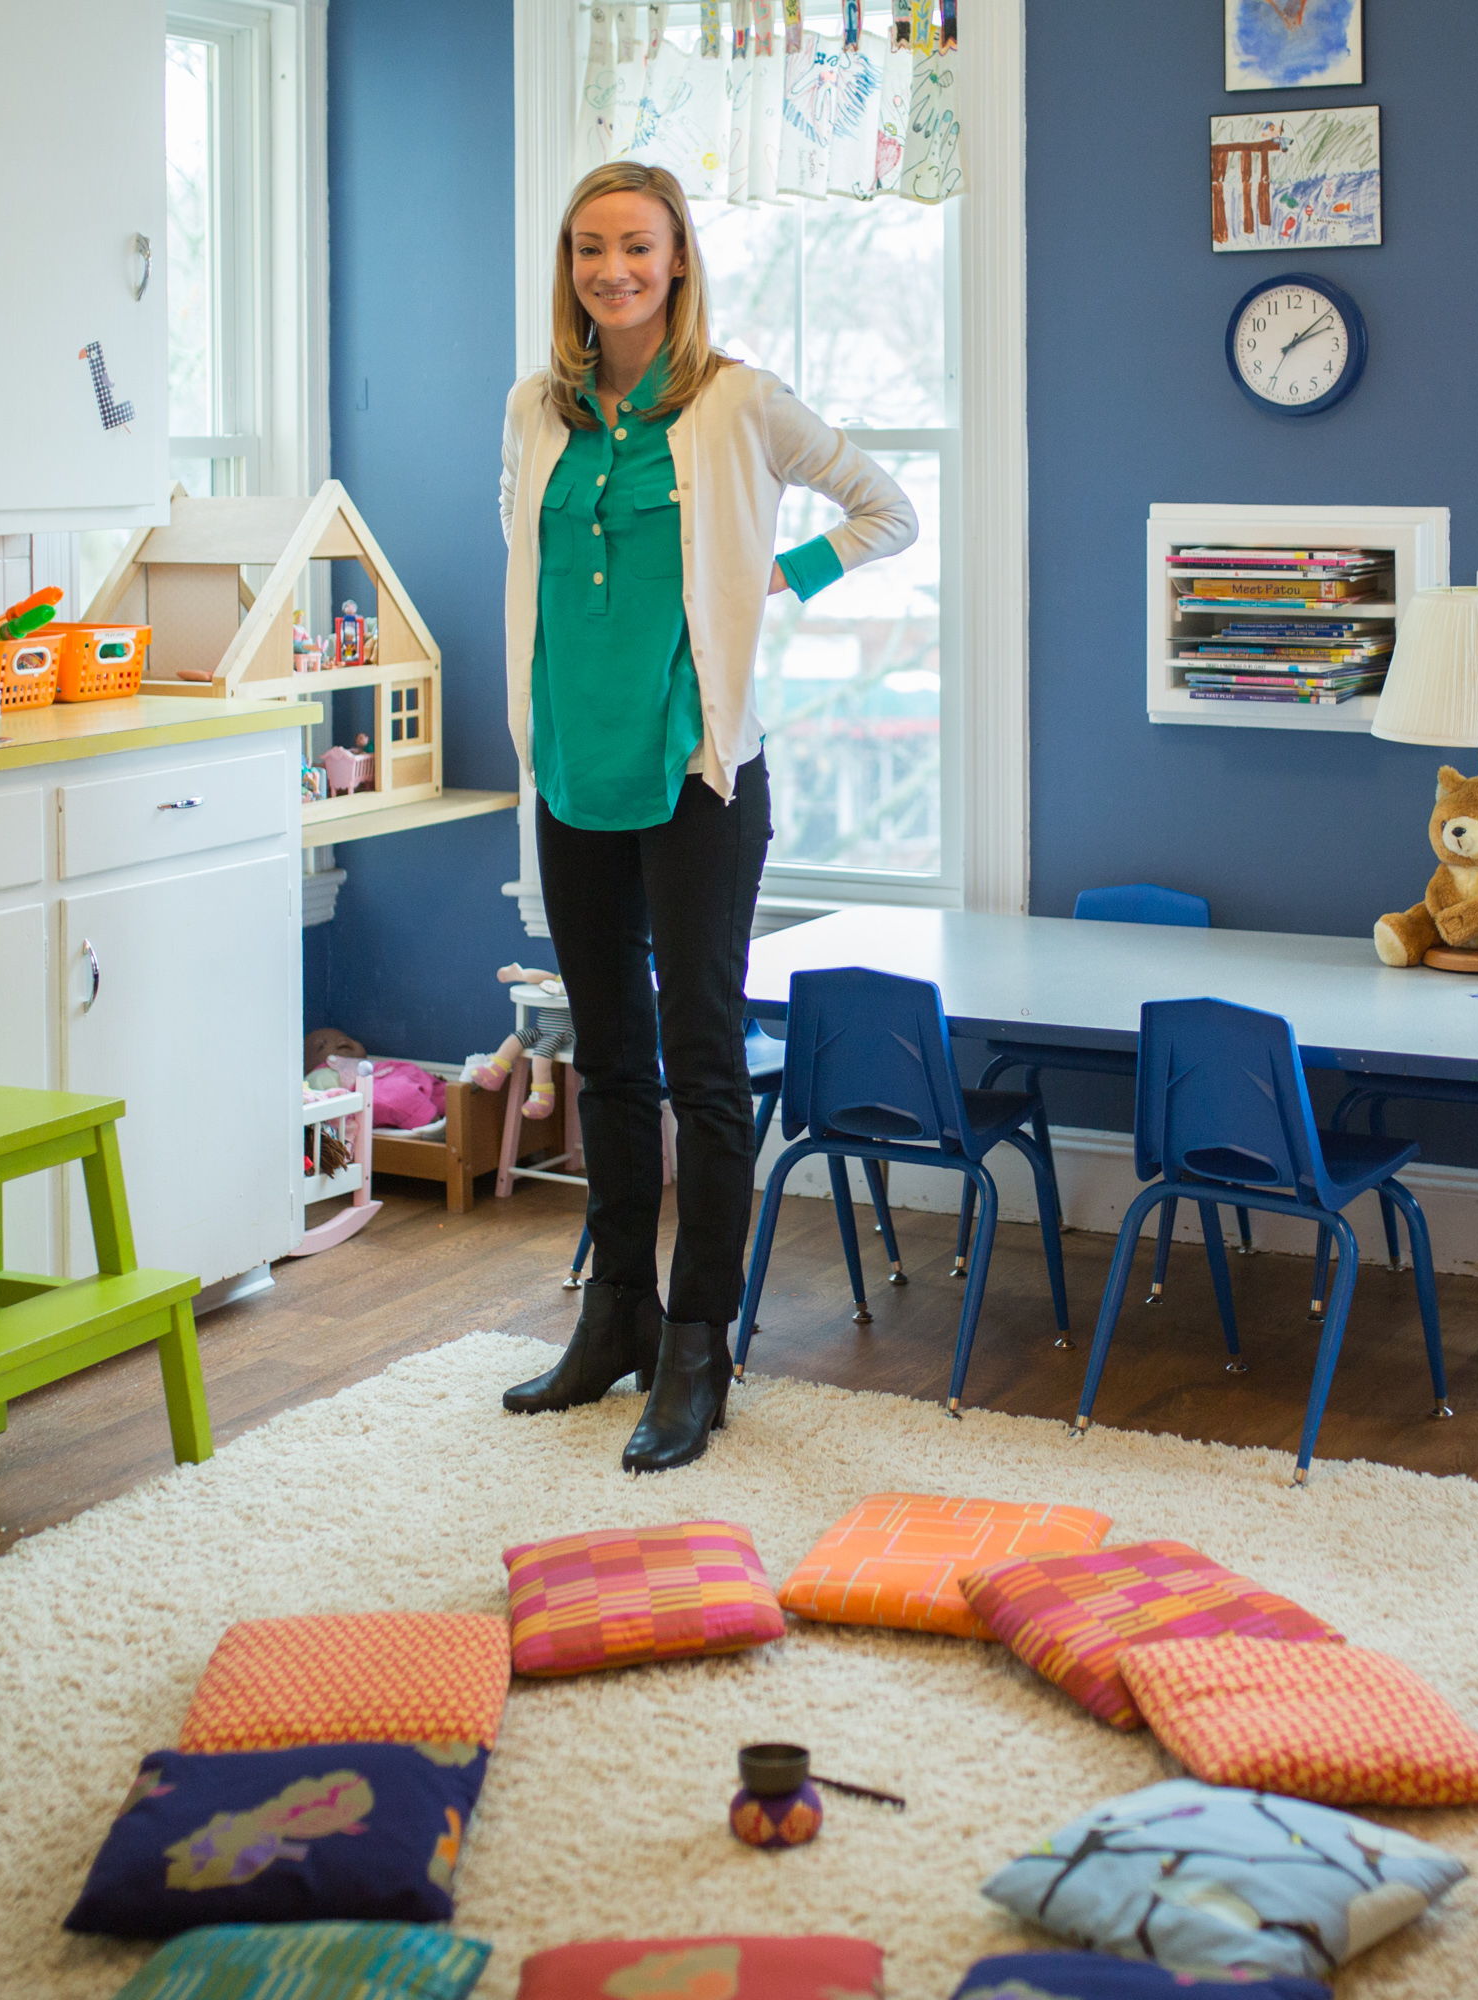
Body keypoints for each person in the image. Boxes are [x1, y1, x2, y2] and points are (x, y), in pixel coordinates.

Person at [495, 160, 916, 1472]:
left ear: (677, 261)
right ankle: (611, 1317)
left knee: (703, 1063)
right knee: (606, 1061)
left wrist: (767, 580)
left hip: (697, 778)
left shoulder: (737, 402)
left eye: (635, 247)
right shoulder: (535, 410)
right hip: (573, 771)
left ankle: (698, 1347)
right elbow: (534, 567)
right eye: (588, 250)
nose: (610, 270)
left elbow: (882, 510)